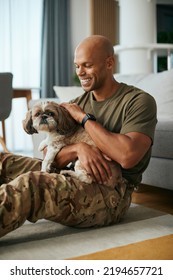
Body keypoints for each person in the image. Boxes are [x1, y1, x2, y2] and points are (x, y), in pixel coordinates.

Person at [0, 35, 157, 238]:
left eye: (87, 65)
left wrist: (84, 119)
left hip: (110, 191)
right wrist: (78, 149)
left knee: (31, 185)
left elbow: (127, 156)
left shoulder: (138, 101)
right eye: (77, 66)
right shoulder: (76, 102)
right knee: (2, 161)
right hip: (68, 172)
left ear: (109, 63)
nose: (80, 72)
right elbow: (49, 151)